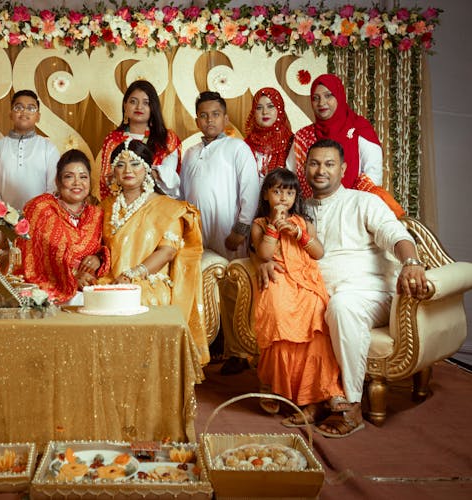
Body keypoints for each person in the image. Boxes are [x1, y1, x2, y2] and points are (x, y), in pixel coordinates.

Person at [259, 139, 428, 437]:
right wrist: (262, 262)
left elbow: (395, 234)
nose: (320, 170)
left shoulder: (363, 201)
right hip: (318, 296)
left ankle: (350, 405)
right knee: (306, 307)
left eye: (329, 164)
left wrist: (411, 260)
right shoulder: (299, 208)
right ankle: (312, 395)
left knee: (342, 306)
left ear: (344, 168)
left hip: (368, 293)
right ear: (303, 168)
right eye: (313, 163)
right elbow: (271, 242)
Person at [101, 139, 209, 365]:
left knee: (135, 298)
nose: (128, 170)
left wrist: (133, 275)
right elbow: (96, 245)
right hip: (109, 277)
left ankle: (142, 372)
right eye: (120, 165)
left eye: (135, 164)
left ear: (148, 169)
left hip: (148, 280)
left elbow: (167, 251)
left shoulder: (167, 207)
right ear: (113, 172)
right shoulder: (105, 207)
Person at [250, 169, 346, 423]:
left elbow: (318, 253)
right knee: (279, 317)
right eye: (277, 191)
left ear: (296, 196)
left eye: (289, 192)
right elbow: (264, 255)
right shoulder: (259, 224)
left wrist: (299, 234)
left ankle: (319, 393)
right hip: (278, 278)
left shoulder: (304, 223)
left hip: (306, 282)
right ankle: (280, 389)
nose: (283, 197)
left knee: (317, 321)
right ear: (267, 195)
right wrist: (274, 227)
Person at [180, 91, 259, 375]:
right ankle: (213, 342)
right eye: (203, 115)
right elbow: (182, 193)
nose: (209, 120)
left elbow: (250, 188)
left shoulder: (238, 148)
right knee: (205, 285)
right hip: (199, 233)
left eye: (215, 114)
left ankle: (239, 351)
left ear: (225, 118)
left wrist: (241, 229)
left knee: (234, 288)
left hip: (229, 232)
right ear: (197, 119)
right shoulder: (190, 153)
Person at [287, 74, 404, 216]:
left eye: (328, 96)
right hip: (312, 211)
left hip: (354, 210)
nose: (321, 103)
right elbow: (291, 176)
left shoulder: (359, 128)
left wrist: (348, 205)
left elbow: (372, 175)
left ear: (340, 96)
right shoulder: (303, 136)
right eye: (315, 98)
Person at [16, 149, 110, 305]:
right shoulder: (40, 208)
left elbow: (105, 249)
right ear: (58, 182)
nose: (77, 183)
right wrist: (71, 278)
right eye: (69, 177)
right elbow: (29, 259)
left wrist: (98, 259)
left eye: (83, 177)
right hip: (48, 295)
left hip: (89, 290)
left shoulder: (97, 214)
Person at [98, 80, 182, 199]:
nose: (139, 107)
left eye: (146, 103)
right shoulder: (113, 139)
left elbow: (170, 180)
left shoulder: (167, 138)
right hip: (122, 204)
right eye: (133, 102)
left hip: (156, 205)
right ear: (125, 105)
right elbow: (106, 179)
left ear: (153, 107)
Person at [0, 89, 59, 211]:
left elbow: (52, 187)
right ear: (11, 114)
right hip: (5, 222)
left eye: (31, 108)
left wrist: (40, 214)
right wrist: (2, 217)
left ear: (38, 116)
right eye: (18, 107)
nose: (24, 111)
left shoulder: (48, 148)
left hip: (40, 218)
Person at [244, 87, 294, 183]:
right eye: (259, 108)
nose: (265, 112)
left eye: (270, 106)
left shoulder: (291, 142)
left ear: (279, 109)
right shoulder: (246, 145)